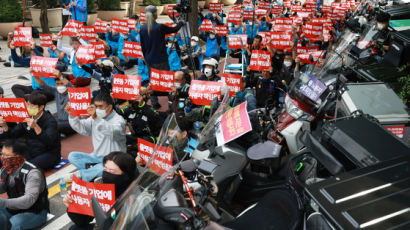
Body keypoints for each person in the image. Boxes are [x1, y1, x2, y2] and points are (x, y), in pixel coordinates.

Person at [63, 151, 136, 230]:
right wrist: (72, 206)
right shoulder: (100, 190)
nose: (106, 174)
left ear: (125, 174)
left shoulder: (135, 192)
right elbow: (82, 221)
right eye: (105, 169)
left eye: (111, 171)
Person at [65, 93, 126, 182]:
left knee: (105, 168)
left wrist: (96, 118)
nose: (97, 109)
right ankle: (95, 173)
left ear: (109, 107)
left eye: (100, 106)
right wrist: (72, 115)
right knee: (73, 156)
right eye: (96, 106)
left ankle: (82, 175)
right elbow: (82, 128)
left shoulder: (118, 120)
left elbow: (111, 131)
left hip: (113, 160)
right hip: (96, 157)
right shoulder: (94, 118)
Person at [0, 92, 61, 170]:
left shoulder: (50, 121)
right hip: (31, 151)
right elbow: (13, 135)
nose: (28, 107)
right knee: (9, 161)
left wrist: (36, 127)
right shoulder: (27, 118)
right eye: (28, 104)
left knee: (26, 167)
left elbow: (49, 142)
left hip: (49, 153)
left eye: (32, 106)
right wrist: (5, 126)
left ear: (41, 107)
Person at [0, 140, 49, 230]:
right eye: (2, 154)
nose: (3, 158)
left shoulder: (33, 173)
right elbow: (2, 187)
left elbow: (28, 201)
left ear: (18, 156)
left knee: (13, 225)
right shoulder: (4, 169)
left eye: (7, 155)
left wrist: (3, 202)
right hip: (13, 208)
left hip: (35, 211)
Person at [140, 5, 185, 71]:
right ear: (155, 14)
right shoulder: (159, 27)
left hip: (149, 60)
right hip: (160, 60)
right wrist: (181, 22)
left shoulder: (142, 28)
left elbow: (142, 46)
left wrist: (146, 57)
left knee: (153, 79)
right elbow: (174, 29)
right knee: (163, 79)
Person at [32, 71, 75, 137]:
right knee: (43, 120)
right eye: (58, 84)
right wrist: (35, 76)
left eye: (62, 83)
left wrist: (60, 76)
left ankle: (55, 134)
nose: (60, 86)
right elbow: (43, 84)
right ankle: (59, 133)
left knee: (53, 125)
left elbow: (70, 86)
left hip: (71, 122)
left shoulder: (73, 93)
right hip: (60, 120)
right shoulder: (56, 91)